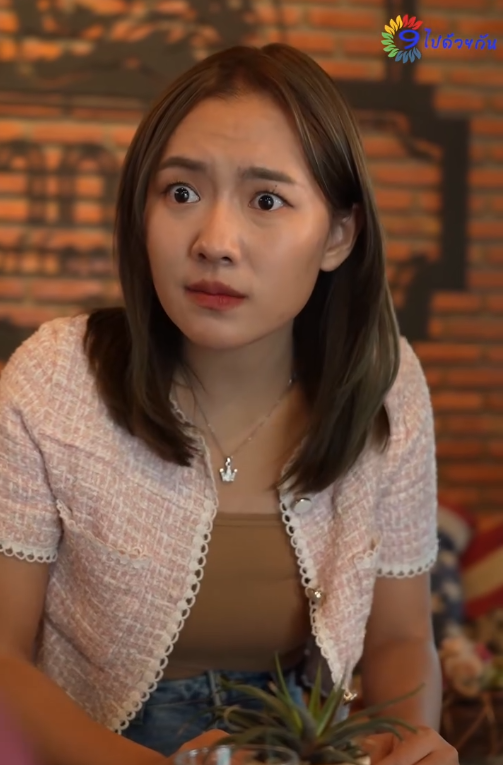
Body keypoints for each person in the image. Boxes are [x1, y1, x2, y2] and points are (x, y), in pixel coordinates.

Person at [0, 43, 457, 765]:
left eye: (266, 200)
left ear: (338, 234)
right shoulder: (55, 377)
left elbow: (400, 639)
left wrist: (403, 745)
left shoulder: (386, 383)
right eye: (180, 193)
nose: (214, 242)